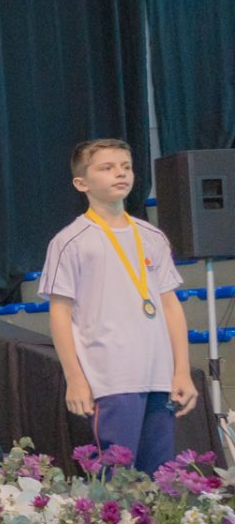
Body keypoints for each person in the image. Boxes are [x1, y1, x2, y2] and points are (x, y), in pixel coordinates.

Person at [41, 139, 196, 473]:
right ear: (81, 183)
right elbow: (60, 313)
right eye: (107, 168)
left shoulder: (152, 236)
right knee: (116, 477)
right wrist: (75, 378)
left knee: (162, 477)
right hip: (110, 377)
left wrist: (181, 370)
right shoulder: (71, 241)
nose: (120, 173)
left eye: (126, 166)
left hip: (158, 375)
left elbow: (170, 305)